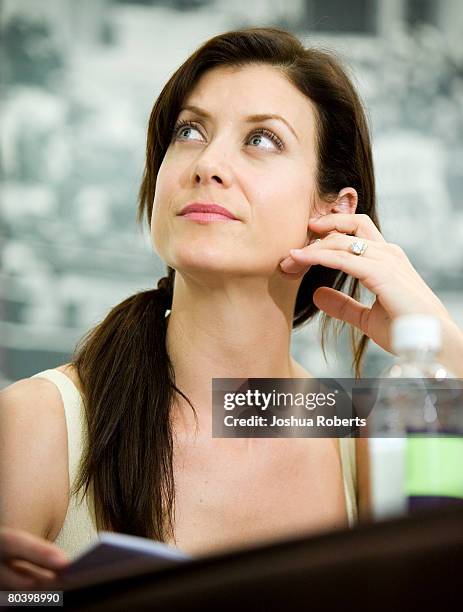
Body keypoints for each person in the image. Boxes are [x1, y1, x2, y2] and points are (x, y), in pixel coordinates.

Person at [1, 26, 462, 589]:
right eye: (189, 131)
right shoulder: (39, 423)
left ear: (332, 209)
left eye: (262, 139)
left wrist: (442, 345)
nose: (208, 163)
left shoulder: (357, 432)